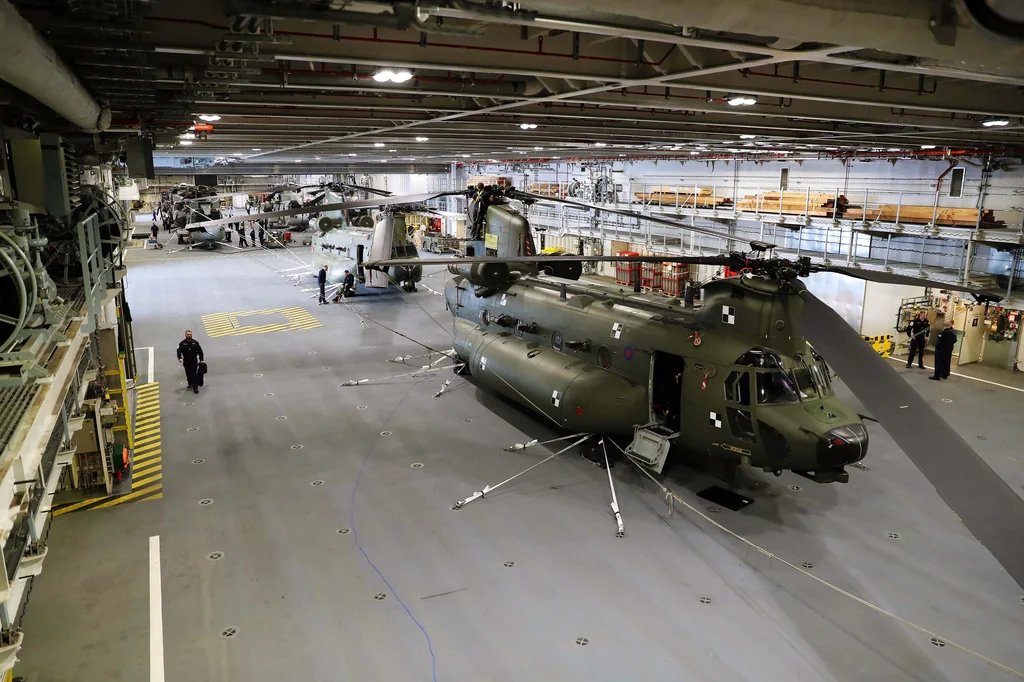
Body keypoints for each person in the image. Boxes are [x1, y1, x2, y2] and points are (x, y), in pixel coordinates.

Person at [176, 330, 205, 394]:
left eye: (190, 334)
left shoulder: (195, 343)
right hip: (186, 361)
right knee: (188, 373)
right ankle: (190, 382)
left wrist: (201, 359)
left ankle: (195, 387)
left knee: (194, 374)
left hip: (194, 361)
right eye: (188, 334)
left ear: (192, 335)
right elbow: (178, 351)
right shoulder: (182, 343)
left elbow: (200, 351)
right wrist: (179, 358)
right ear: (185, 335)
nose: (189, 335)